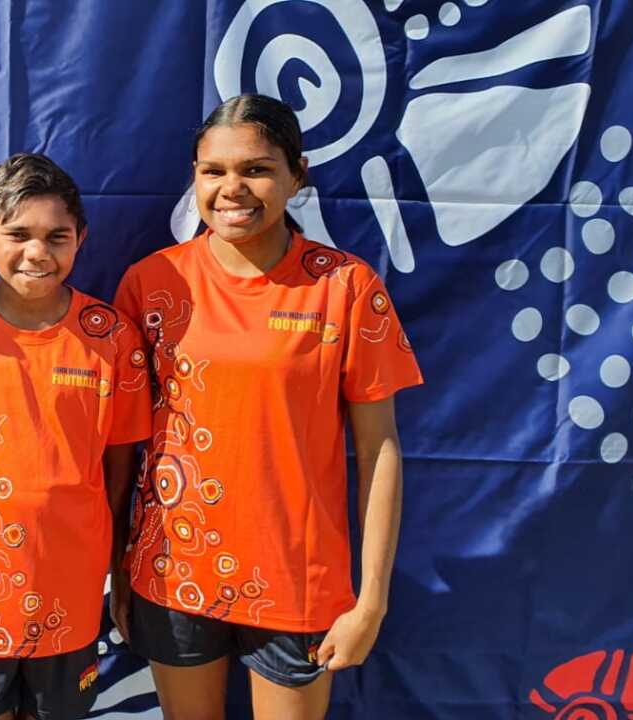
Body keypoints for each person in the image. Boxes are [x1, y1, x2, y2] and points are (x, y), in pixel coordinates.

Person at [110, 94, 424, 719]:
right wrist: (120, 567)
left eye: (256, 169)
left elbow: (380, 449)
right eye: (214, 171)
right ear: (195, 177)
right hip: (172, 574)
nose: (232, 189)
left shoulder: (346, 287)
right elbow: (120, 445)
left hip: (297, 582)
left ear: (297, 175)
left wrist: (371, 601)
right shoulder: (150, 283)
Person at [0, 153, 152, 720]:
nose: (37, 252)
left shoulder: (111, 338)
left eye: (55, 236)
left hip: (71, 592)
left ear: (81, 239)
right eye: (18, 234)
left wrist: (116, 564)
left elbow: (120, 471)